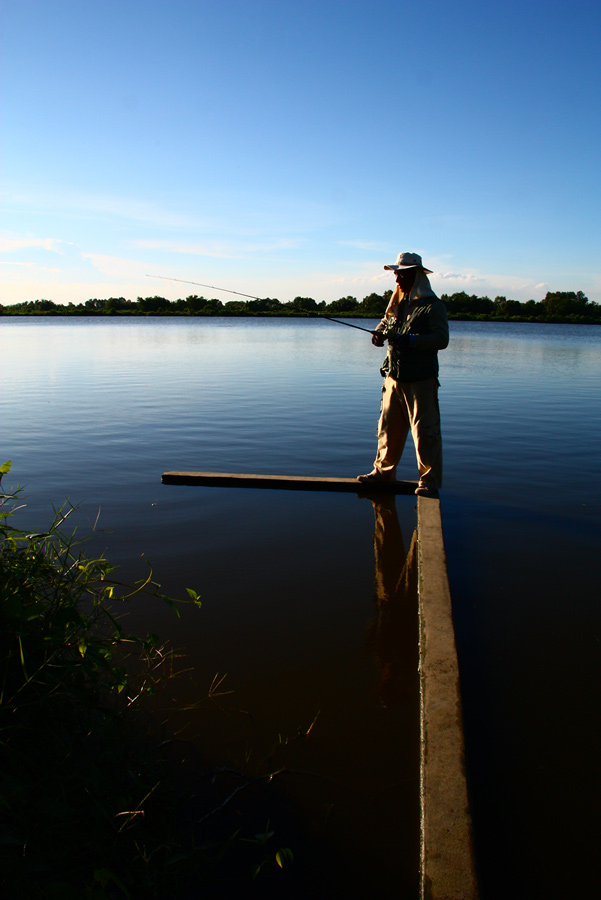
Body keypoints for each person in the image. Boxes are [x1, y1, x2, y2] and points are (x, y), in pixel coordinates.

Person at [357, 251, 449, 498]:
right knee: (387, 428)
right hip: (393, 377)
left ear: (416, 275)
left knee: (425, 431)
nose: (397, 280)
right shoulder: (396, 303)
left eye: (402, 275)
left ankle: (428, 482)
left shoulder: (433, 306)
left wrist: (409, 340)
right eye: (396, 274)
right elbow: (383, 326)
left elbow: (441, 339)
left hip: (421, 380)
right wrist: (378, 336)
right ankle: (383, 473)